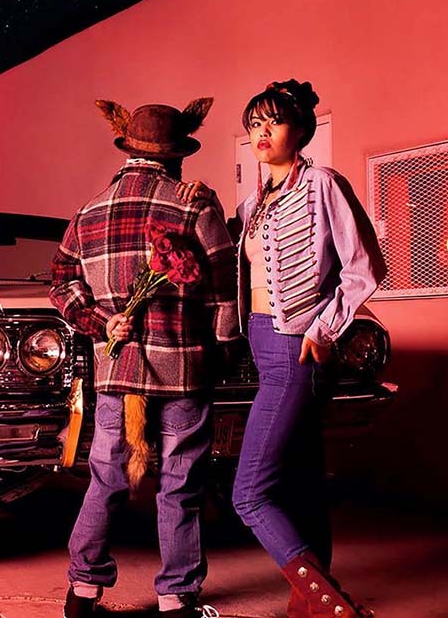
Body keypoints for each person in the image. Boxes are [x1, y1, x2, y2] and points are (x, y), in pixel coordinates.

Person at [179, 80, 385, 618]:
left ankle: (329, 605)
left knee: (249, 491)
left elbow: (365, 269)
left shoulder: (323, 184)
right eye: (254, 124)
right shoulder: (252, 204)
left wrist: (324, 329)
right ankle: (307, 599)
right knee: (299, 479)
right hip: (261, 346)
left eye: (273, 121)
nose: (261, 132)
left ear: (300, 130)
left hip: (299, 349)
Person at [50, 98, 240, 618]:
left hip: (117, 371)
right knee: (181, 481)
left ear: (128, 152)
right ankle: (176, 599)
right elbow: (226, 285)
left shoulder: (87, 212)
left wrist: (99, 323)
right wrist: (223, 349)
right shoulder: (194, 206)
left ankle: (83, 593)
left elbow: (60, 283)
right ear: (177, 156)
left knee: (107, 476)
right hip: (183, 367)